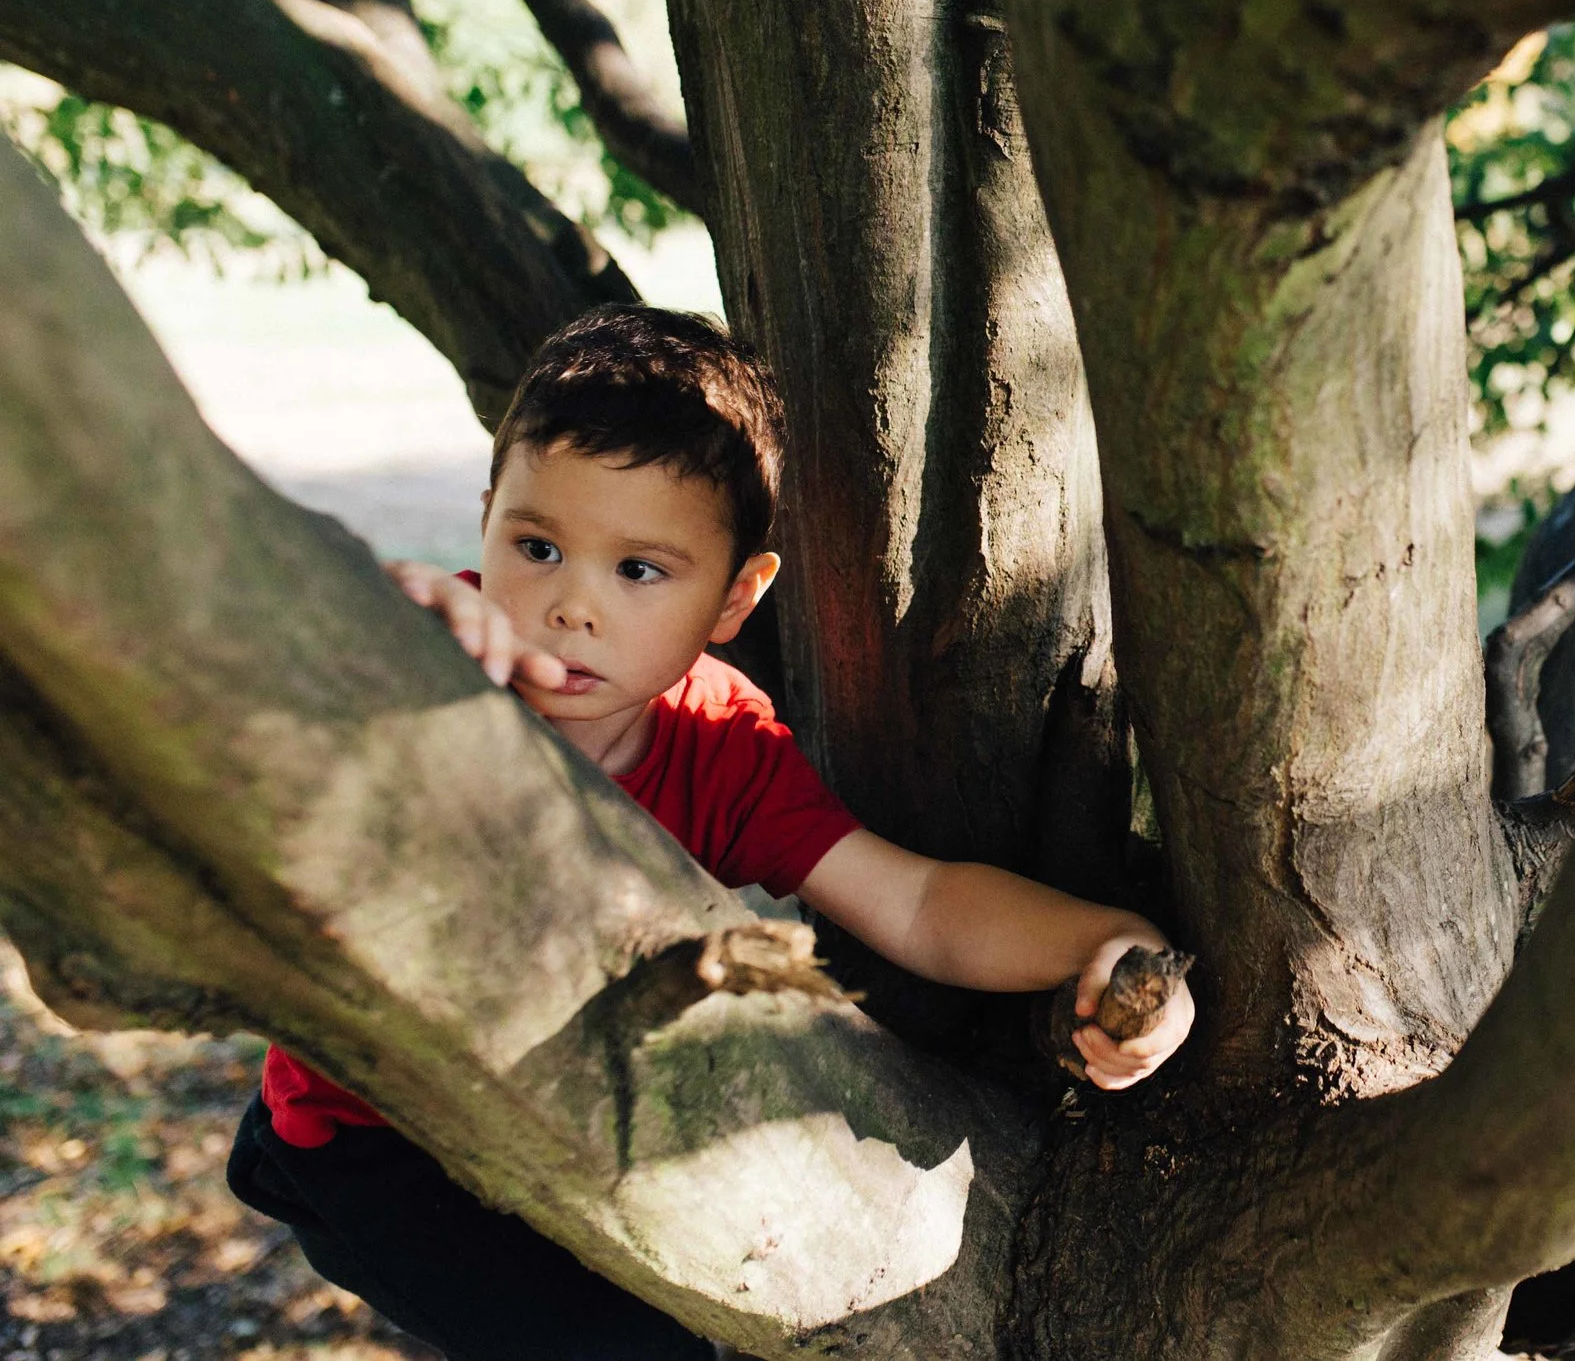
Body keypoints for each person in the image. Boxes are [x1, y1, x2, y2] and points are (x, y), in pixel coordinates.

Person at [226, 305, 1193, 1361]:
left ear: (736, 595)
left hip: (576, 1118)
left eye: (639, 568)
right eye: (537, 545)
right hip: (379, 1140)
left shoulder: (717, 742)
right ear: (486, 517)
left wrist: (1099, 941)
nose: (571, 606)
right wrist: (376, 635)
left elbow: (913, 901)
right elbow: (264, 707)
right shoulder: (431, 660)